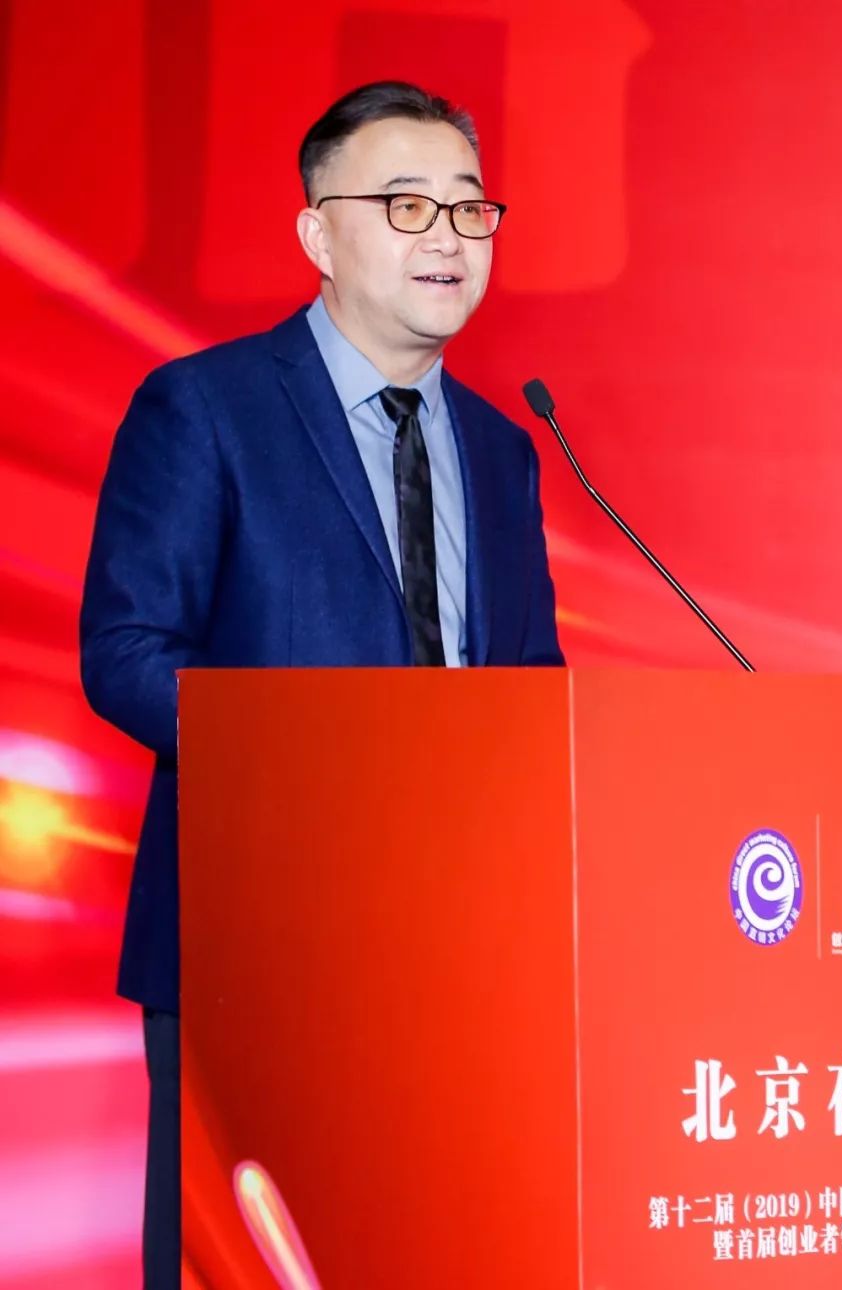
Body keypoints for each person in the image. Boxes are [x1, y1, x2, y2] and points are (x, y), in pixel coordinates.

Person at [79, 80, 563, 1288]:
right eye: (407, 205)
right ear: (317, 233)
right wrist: (316, 766)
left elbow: (532, 686)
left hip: (456, 953)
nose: (448, 236)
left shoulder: (504, 449)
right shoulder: (206, 408)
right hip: (257, 942)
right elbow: (126, 649)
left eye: (470, 206)